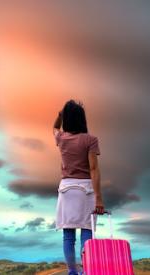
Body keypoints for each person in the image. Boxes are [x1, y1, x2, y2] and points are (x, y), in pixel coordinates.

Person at [53, 100, 105, 275]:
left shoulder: (61, 138)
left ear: (67, 119)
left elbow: (54, 128)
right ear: (83, 119)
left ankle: (72, 272)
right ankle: (88, 271)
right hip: (86, 189)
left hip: (66, 189)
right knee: (86, 233)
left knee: (68, 236)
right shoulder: (90, 140)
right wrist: (99, 198)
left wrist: (60, 115)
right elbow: (93, 169)